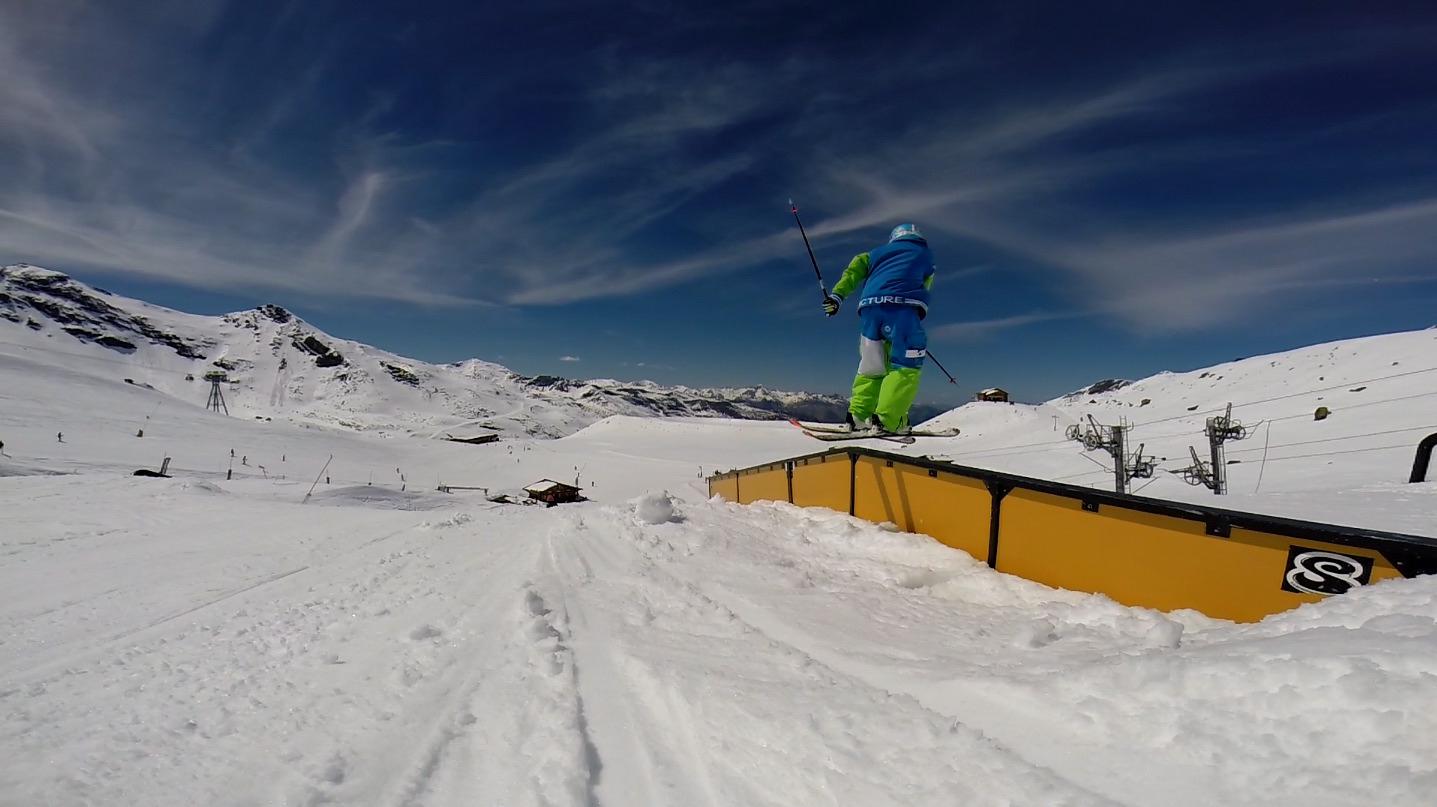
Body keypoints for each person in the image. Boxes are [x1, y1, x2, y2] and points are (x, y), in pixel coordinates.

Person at [823, 223, 935, 434]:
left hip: (870, 311)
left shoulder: (875, 254)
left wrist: (837, 296)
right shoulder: (926, 256)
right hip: (903, 310)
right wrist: (915, 316)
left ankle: (857, 416)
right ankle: (888, 420)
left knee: (871, 365)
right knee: (906, 365)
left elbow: (855, 267)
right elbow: (925, 285)